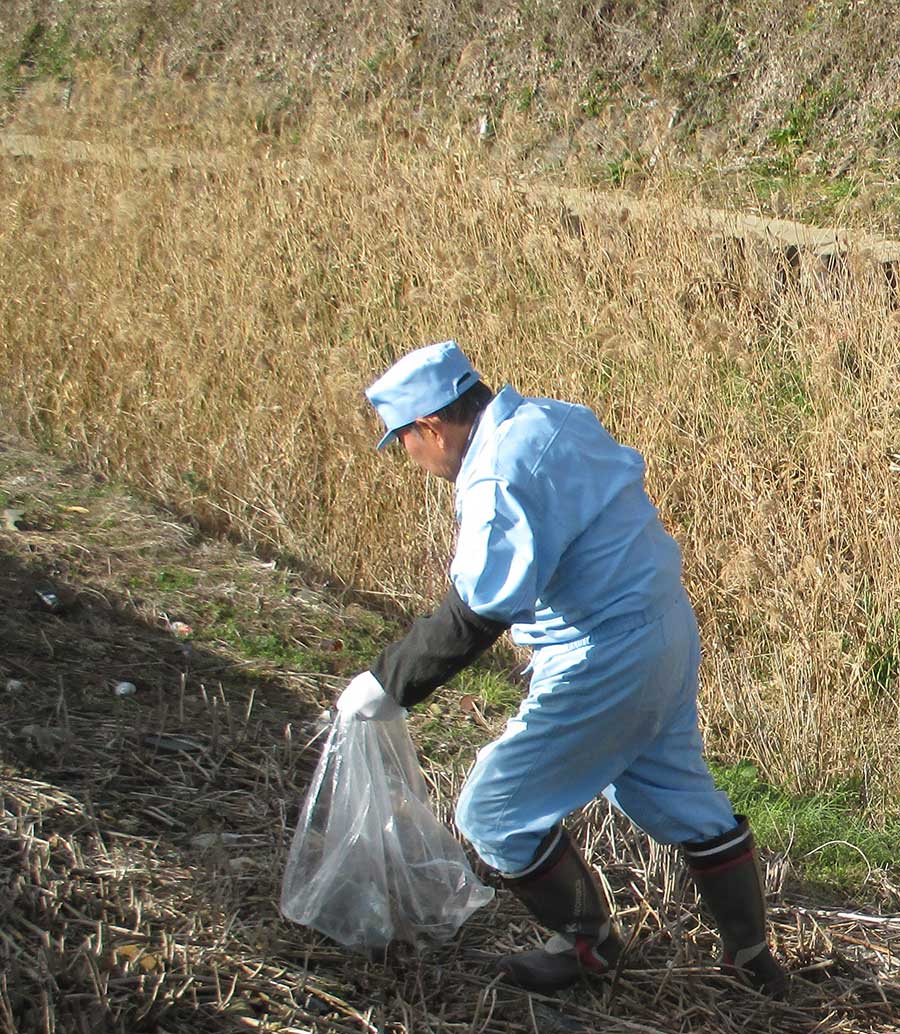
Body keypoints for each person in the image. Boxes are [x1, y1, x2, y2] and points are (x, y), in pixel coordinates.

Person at [337, 340, 787, 996]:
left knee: (494, 811)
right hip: (662, 628)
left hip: (604, 653)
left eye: (402, 440)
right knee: (677, 794)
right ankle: (754, 959)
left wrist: (387, 685)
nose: (408, 458)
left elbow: (477, 613)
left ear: (430, 426)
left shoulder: (499, 472)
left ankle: (588, 946)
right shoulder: (551, 418)